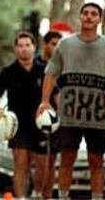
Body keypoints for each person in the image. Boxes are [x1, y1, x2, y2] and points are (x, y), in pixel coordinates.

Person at [37, 2, 105, 200]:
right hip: (69, 114)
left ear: (99, 19)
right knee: (67, 158)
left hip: (98, 115)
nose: (89, 17)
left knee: (97, 161)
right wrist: (44, 101)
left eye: (94, 14)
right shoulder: (66, 45)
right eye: (85, 13)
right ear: (80, 16)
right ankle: (63, 196)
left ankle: (97, 197)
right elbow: (51, 74)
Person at [0, 31, 43, 198]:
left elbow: (55, 94)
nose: (24, 49)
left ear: (34, 47)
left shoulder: (44, 70)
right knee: (21, 164)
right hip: (17, 124)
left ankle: (38, 194)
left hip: (40, 123)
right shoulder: (9, 71)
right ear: (15, 49)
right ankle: (20, 197)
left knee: (42, 164)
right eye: (20, 46)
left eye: (27, 45)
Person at [32, 31, 62, 199]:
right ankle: (36, 192)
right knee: (39, 161)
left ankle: (47, 196)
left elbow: (59, 93)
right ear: (45, 44)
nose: (56, 47)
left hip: (54, 120)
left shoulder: (62, 67)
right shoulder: (36, 65)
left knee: (51, 161)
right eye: (53, 44)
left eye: (59, 44)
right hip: (36, 118)